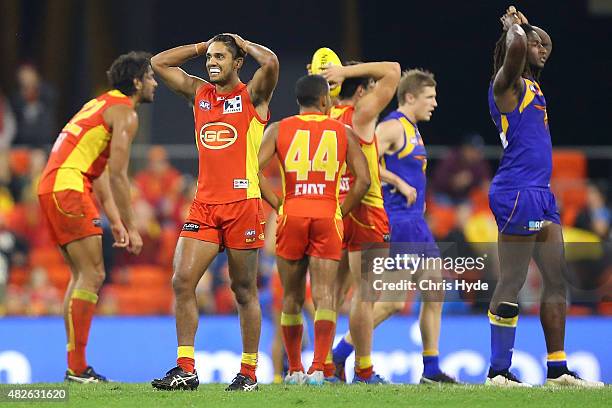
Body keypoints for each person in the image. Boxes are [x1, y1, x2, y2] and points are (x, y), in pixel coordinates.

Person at [150, 33, 279, 392]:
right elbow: (158, 63)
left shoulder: (253, 95)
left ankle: (249, 373)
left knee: (243, 290)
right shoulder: (199, 93)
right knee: (181, 281)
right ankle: (186, 368)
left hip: (243, 206)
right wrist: (198, 47)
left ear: (237, 63)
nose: (212, 62)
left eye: (221, 57)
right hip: (205, 205)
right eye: (210, 57)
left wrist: (244, 42)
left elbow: (270, 63)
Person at [486, 6, 603, 387]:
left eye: (544, 44)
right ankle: (498, 371)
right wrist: (514, 30)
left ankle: (557, 369)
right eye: (534, 42)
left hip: (541, 195)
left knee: (556, 279)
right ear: (514, 47)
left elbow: (535, 44)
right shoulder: (507, 86)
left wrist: (526, 31)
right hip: (516, 191)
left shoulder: (533, 86)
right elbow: (518, 47)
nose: (543, 47)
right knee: (513, 281)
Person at [37, 51, 155, 382]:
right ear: (136, 82)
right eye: (150, 77)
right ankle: (77, 368)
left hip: (55, 185)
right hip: (70, 188)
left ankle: (76, 366)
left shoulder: (101, 104)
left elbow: (100, 171)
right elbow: (118, 175)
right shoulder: (125, 114)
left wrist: (116, 221)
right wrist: (133, 227)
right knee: (93, 275)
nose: (154, 83)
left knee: (82, 277)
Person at [258, 75, 370, 385]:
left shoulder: (279, 129)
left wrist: (278, 203)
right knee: (324, 295)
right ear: (324, 101)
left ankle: (293, 370)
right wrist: (340, 210)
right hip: (325, 214)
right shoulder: (342, 131)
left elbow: (251, 170)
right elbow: (364, 180)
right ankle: (320, 368)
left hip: (292, 212)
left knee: (291, 297)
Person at [372, 68, 458, 383]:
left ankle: (432, 370)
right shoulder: (392, 126)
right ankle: (336, 356)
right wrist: (398, 182)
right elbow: (366, 159)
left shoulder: (413, 129)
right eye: (429, 97)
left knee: (435, 292)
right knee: (393, 303)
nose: (434, 103)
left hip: (416, 224)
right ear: (410, 97)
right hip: (400, 223)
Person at [320, 60, 400, 383]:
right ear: (363, 89)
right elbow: (393, 71)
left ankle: (324, 366)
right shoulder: (362, 114)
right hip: (365, 209)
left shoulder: (325, 117)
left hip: (334, 208)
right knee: (365, 297)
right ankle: (364, 371)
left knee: (331, 294)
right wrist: (347, 72)